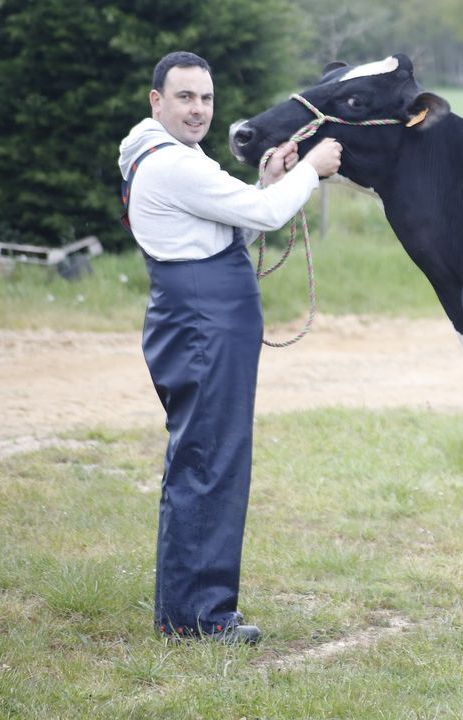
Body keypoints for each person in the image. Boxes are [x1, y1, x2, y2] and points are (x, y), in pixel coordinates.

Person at [116, 51, 341, 644]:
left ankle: (188, 609)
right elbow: (265, 216)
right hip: (202, 324)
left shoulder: (167, 155)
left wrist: (267, 180)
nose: (198, 110)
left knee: (203, 458)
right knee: (211, 461)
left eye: (206, 99)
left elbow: (228, 223)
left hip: (199, 320)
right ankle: (200, 619)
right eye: (185, 97)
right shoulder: (172, 165)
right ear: (156, 100)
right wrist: (311, 170)